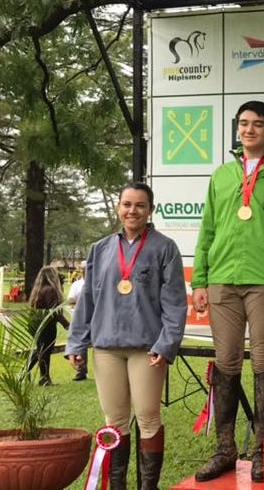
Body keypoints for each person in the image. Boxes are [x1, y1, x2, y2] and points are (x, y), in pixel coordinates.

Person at [191, 100, 264, 483]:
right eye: (243, 123)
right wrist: (200, 280)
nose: (249, 130)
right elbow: (207, 231)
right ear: (237, 129)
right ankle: (225, 449)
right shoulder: (221, 175)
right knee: (226, 361)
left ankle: (262, 450)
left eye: (257, 124)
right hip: (222, 280)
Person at [65, 182, 187, 489]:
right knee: (115, 421)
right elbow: (87, 301)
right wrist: (76, 342)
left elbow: (175, 303)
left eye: (140, 205)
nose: (133, 211)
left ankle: (148, 487)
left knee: (147, 417)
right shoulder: (100, 249)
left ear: (151, 210)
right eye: (127, 204)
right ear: (119, 208)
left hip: (147, 348)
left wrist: (166, 343)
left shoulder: (165, 248)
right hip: (106, 347)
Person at [26, 265, 70, 386]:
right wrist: (67, 324)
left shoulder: (39, 289)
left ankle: (30, 373)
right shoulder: (50, 290)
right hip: (46, 325)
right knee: (45, 350)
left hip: (36, 323)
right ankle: (44, 377)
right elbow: (54, 311)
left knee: (41, 349)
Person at [66, 266, 87, 381]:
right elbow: (70, 300)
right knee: (81, 342)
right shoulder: (77, 285)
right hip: (80, 316)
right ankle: (81, 370)